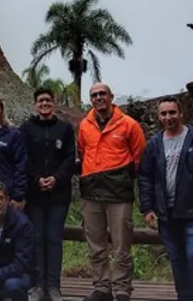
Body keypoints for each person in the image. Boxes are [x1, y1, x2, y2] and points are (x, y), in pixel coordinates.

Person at [137, 98, 193, 301]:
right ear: (159, 117)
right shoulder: (154, 144)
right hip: (166, 214)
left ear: (181, 114)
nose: (168, 117)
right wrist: (147, 208)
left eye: (172, 112)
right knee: (177, 259)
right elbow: (145, 176)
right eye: (164, 114)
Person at [77, 83, 146, 301]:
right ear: (91, 99)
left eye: (102, 94)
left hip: (118, 193)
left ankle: (122, 289)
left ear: (111, 97)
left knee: (121, 245)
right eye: (94, 95)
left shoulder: (129, 125)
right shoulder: (84, 126)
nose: (99, 98)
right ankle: (102, 287)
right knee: (96, 244)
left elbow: (138, 157)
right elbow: (82, 150)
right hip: (91, 192)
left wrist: (122, 177)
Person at [21, 88, 76, 301]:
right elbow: (23, 157)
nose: (44, 104)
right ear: (35, 104)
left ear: (54, 103)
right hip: (34, 195)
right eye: (41, 100)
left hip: (58, 195)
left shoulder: (64, 129)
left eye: (48, 100)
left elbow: (70, 158)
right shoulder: (26, 128)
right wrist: (36, 179)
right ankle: (37, 285)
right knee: (36, 239)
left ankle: (53, 286)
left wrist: (55, 178)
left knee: (53, 239)